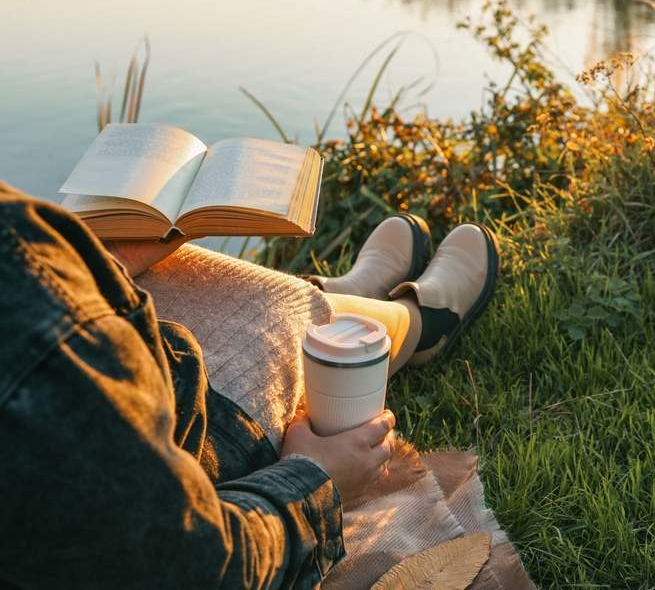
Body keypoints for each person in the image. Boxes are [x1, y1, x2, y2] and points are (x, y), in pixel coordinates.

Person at [0, 182, 499, 589]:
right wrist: (314, 479)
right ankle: (420, 323)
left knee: (178, 271)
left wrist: (98, 265)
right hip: (193, 453)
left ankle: (350, 298)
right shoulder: (46, 383)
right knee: (279, 310)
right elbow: (192, 565)